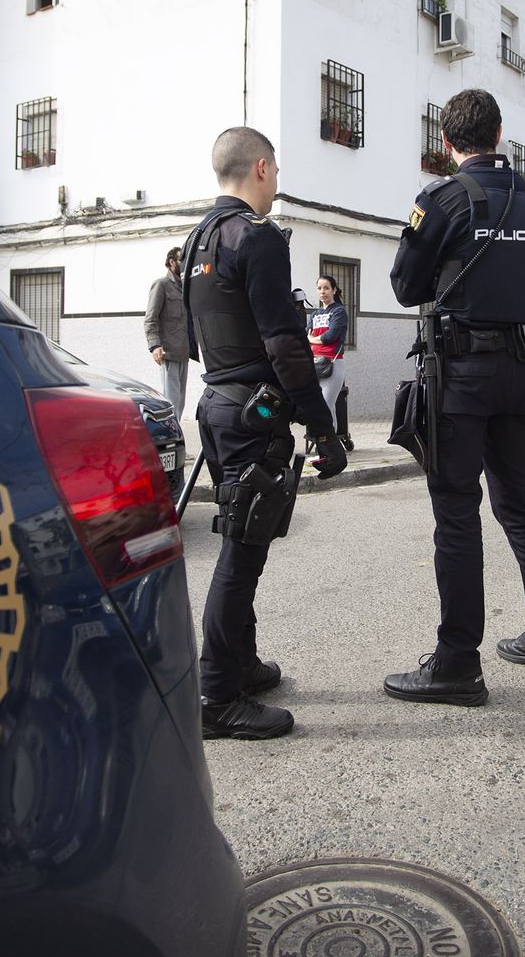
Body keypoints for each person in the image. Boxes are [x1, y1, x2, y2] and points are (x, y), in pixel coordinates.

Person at [382, 88, 525, 707]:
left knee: (457, 514)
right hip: (521, 374)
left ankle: (458, 663)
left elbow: (405, 286)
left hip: (462, 378)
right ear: (497, 134)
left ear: (447, 142)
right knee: (516, 501)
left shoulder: (440, 199)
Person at [182, 126, 347, 740]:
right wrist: (323, 429)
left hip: (218, 406)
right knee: (241, 554)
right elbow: (286, 346)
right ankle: (216, 696)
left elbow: (197, 340)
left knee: (241, 536)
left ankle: (241, 666)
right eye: (274, 171)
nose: (277, 182)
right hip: (254, 412)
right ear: (259, 167)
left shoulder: (198, 237)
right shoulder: (258, 238)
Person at [306, 273, 349, 451]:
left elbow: (330, 337)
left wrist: (313, 339)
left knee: (326, 405)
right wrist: (315, 338)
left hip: (332, 363)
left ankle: (328, 446)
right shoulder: (315, 314)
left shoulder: (338, 311)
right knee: (320, 407)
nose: (322, 291)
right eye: (319, 288)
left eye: (326, 288)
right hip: (313, 364)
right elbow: (304, 335)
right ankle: (325, 444)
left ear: (334, 290)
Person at [145, 246, 189, 413]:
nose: (183, 264)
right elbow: (150, 318)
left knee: (180, 403)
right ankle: (171, 435)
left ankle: (176, 433)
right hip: (169, 352)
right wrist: (155, 346)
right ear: (172, 262)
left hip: (184, 352)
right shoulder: (161, 285)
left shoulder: (185, 287)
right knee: (172, 401)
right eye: (180, 260)